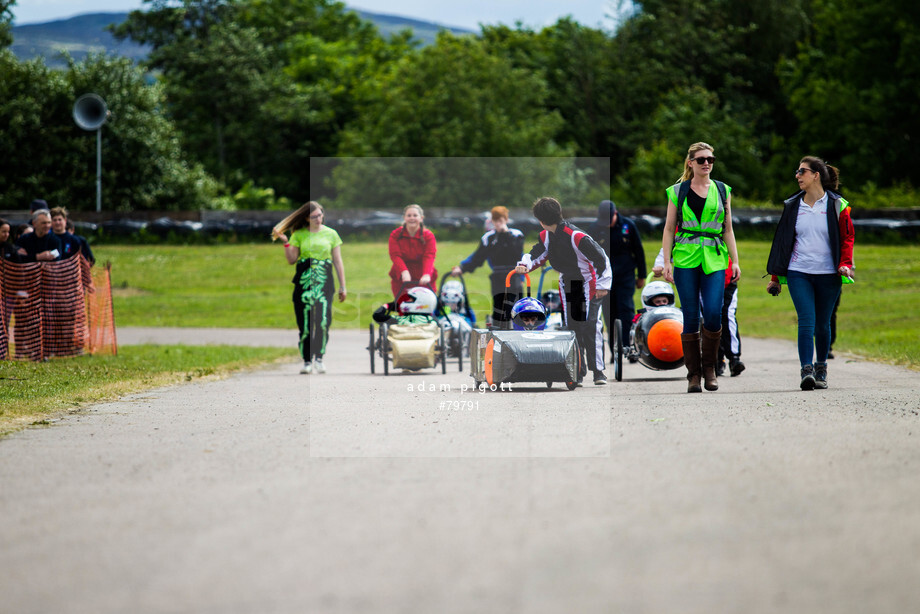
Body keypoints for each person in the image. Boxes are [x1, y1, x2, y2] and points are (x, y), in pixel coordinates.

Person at [766, 156, 854, 391]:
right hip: (799, 272)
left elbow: (847, 238)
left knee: (822, 324)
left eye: (802, 171)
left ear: (816, 175)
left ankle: (821, 367)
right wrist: (776, 277)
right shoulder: (793, 205)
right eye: (797, 171)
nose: (797, 176)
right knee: (806, 320)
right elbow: (783, 243)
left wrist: (845, 263)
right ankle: (807, 369)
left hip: (829, 274)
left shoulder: (837, 205)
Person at [662, 142, 741, 393]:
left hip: (715, 260)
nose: (707, 163)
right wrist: (666, 262)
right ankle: (693, 375)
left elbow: (727, 229)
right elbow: (668, 228)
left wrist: (735, 261)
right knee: (691, 317)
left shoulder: (722, 190)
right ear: (690, 163)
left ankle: (711, 368)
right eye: (701, 159)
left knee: (715, 312)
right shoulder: (677, 191)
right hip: (685, 259)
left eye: (710, 159)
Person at [515, 197, 611, 385]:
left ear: (540, 219)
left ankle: (598, 371)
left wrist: (602, 285)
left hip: (588, 283)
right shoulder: (545, 236)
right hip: (568, 282)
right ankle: (578, 371)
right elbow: (536, 254)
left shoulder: (576, 236)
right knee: (573, 328)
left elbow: (602, 259)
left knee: (590, 325)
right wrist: (524, 265)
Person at [272, 201, 347, 375]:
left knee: (322, 321)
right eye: (314, 217)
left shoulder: (331, 234)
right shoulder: (298, 234)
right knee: (305, 323)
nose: (318, 219)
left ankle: (319, 358)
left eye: (320, 215)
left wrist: (343, 286)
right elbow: (292, 259)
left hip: (324, 282)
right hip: (304, 282)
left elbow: (337, 261)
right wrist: (285, 242)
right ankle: (306, 360)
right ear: (306, 218)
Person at [587, 200, 647, 360]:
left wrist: (641, 275)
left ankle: (630, 347)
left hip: (625, 276)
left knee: (626, 310)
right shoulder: (594, 229)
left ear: (615, 214)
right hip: (604, 279)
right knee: (609, 313)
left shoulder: (628, 226)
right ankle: (616, 350)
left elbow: (638, 251)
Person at [451, 206, 525, 326]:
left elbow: (517, 253)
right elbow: (478, 257)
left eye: (500, 220)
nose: (498, 223)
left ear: (506, 220)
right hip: (498, 275)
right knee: (499, 305)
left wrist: (504, 234)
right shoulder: (488, 238)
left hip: (514, 274)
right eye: (495, 221)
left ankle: (519, 329)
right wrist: (462, 267)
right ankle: (498, 329)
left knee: (516, 305)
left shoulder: (516, 235)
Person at [389, 204, 437, 299]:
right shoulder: (395, 234)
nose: (412, 218)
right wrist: (404, 271)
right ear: (404, 218)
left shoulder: (428, 236)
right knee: (404, 307)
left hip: (423, 276)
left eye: (415, 215)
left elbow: (429, 256)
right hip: (402, 276)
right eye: (409, 215)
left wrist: (426, 274)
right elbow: (395, 255)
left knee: (426, 306)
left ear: (421, 218)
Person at [717, 259, 745, 377]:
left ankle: (734, 358)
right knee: (709, 319)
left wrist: (735, 263)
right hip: (703, 280)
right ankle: (716, 360)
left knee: (727, 316)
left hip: (727, 278)